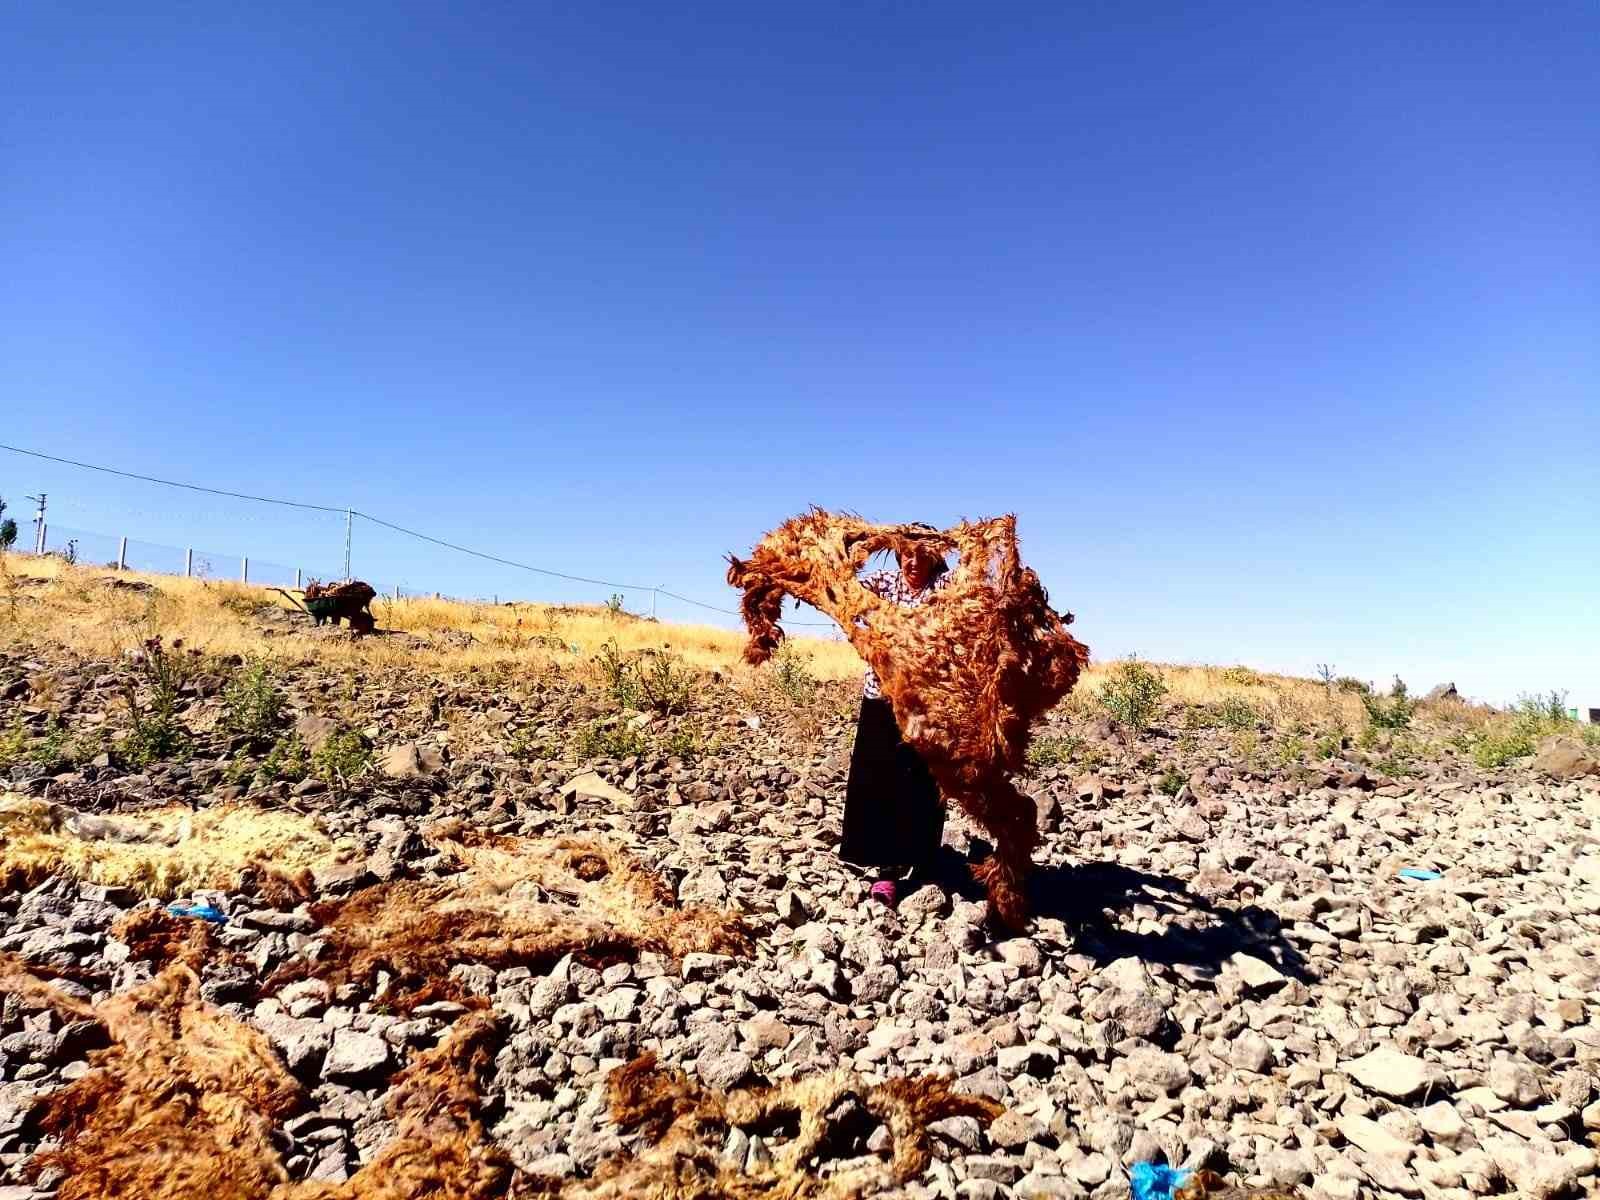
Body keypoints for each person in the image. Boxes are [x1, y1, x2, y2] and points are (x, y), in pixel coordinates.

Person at [840, 541, 951, 909]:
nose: (913, 561)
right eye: (906, 553)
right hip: (882, 697)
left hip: (930, 703)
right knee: (878, 779)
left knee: (925, 781)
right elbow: (841, 591)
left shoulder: (948, 590)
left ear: (936, 557)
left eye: (922, 555)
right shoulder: (882, 583)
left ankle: (924, 860)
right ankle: (886, 871)